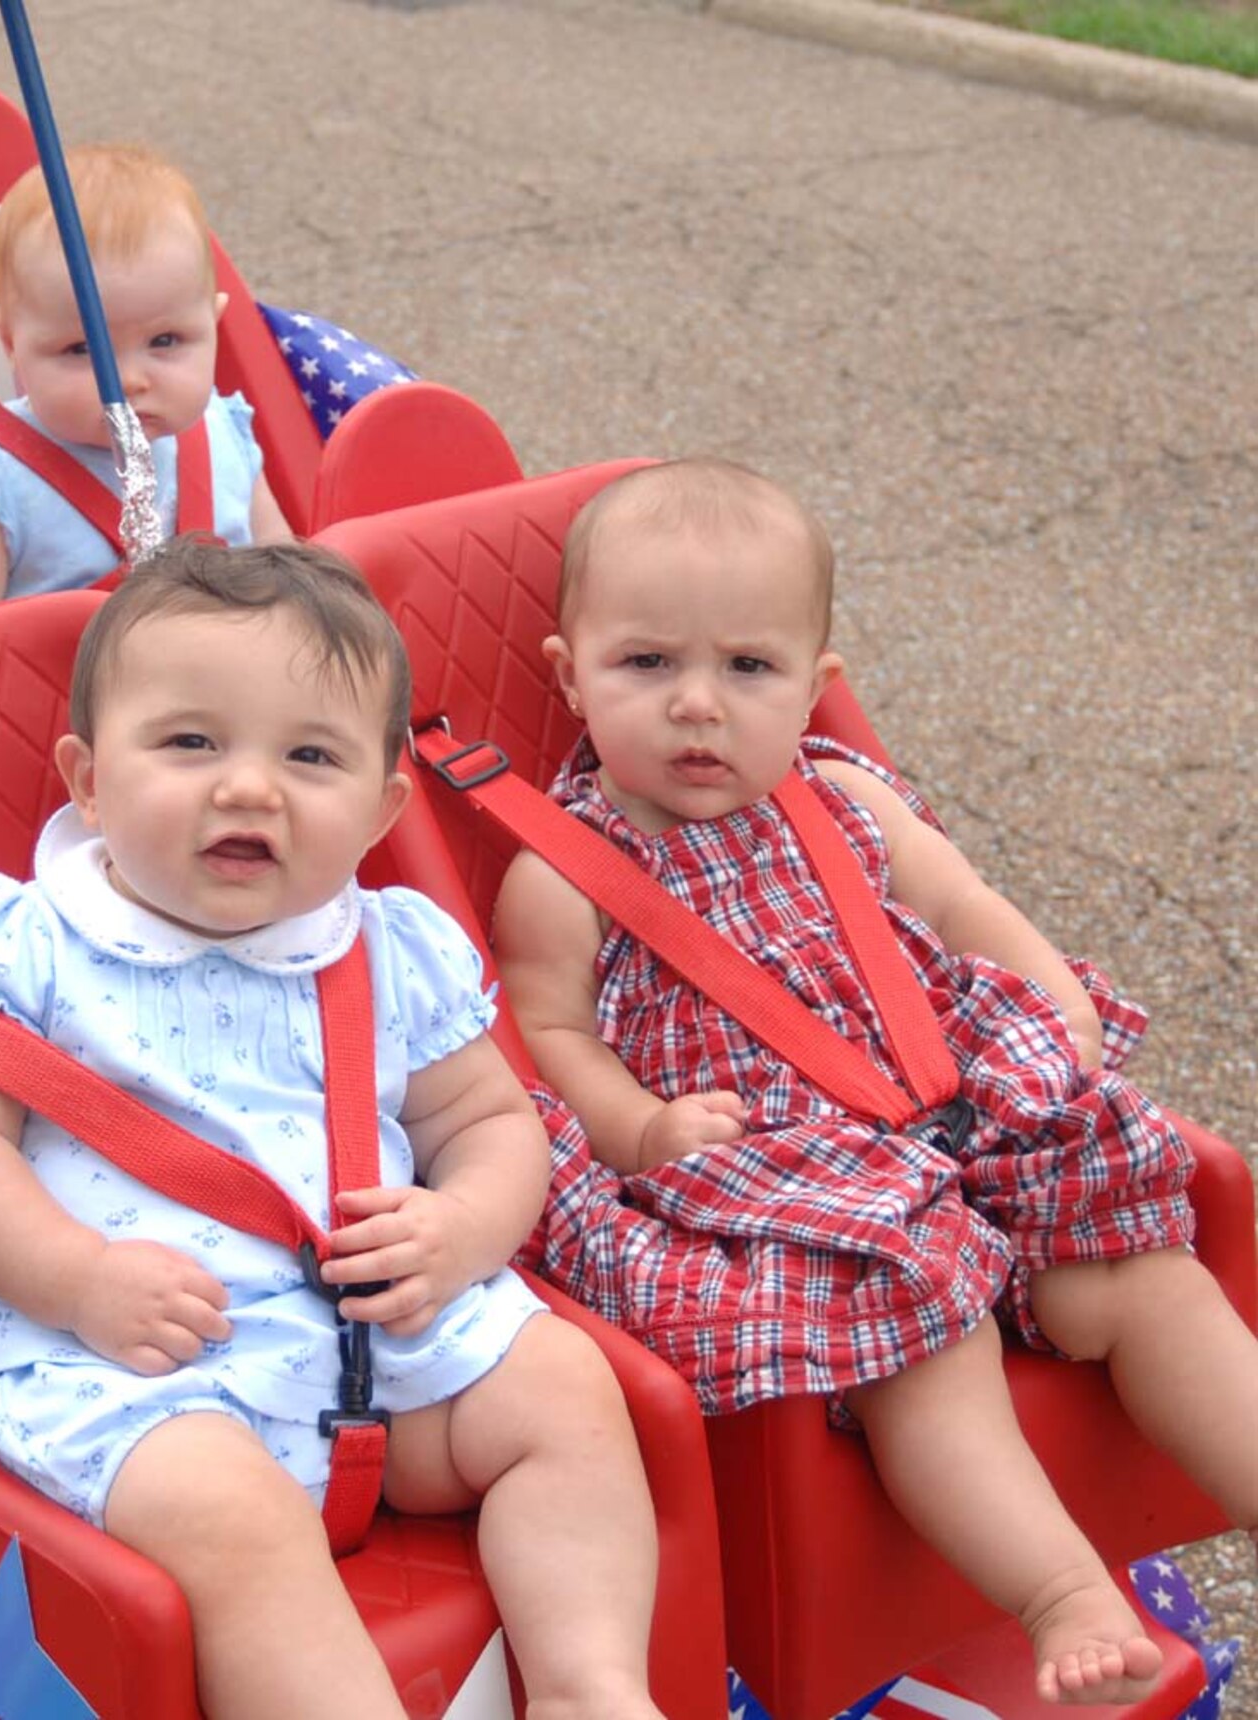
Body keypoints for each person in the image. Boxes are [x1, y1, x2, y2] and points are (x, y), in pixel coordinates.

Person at [494, 457, 1258, 1706]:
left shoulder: (843, 796)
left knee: (1137, 1272)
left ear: (815, 686)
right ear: (567, 673)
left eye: (747, 668)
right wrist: (638, 1125)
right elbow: (549, 1037)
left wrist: (1046, 994)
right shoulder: (566, 872)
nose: (697, 706)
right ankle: (1059, 1591)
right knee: (926, 1342)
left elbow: (958, 904)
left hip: (950, 1105)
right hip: (800, 1173)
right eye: (645, 666)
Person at [0, 538, 665, 1720]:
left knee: (563, 1383)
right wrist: (75, 1276)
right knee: (230, 1516)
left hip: (379, 1351)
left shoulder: (388, 950)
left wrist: (458, 1231)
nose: (248, 787)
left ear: (379, 805)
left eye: (309, 756)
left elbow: (494, 1120)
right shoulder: (25, 945)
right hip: (139, 1371)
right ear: (88, 781)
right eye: (190, 742)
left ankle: (590, 1689)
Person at [0, 144, 291, 606]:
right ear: (11, 343)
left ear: (213, 325)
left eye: (166, 341)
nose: (127, 380)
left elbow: (285, 578)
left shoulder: (227, 437)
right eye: (81, 349)